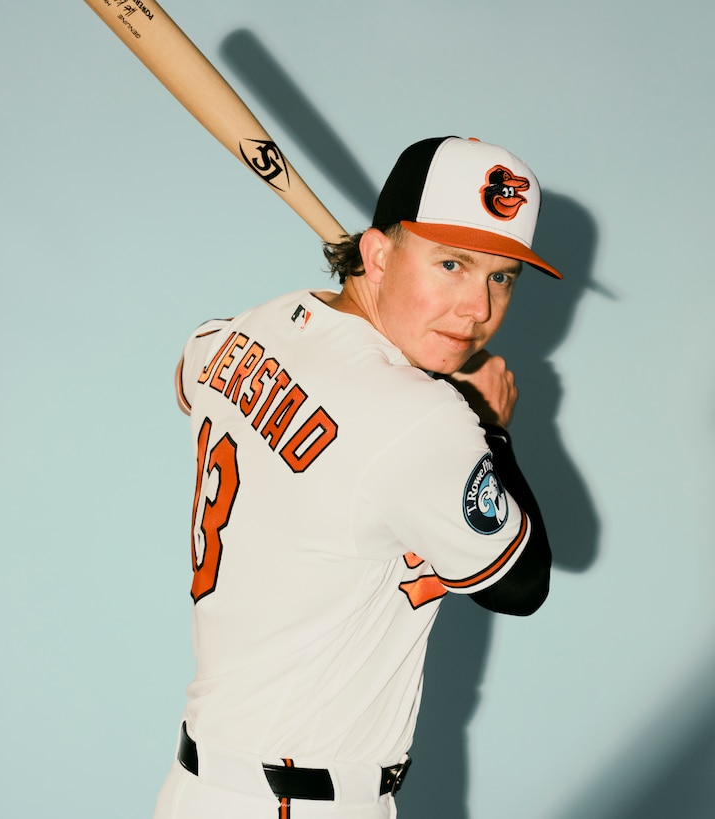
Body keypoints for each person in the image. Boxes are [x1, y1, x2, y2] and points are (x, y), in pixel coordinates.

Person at [155, 136, 558, 819]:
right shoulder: (425, 419)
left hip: (200, 788)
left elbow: (188, 372)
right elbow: (522, 583)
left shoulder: (254, 326)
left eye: (501, 277)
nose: (477, 309)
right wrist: (490, 425)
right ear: (376, 254)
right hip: (299, 802)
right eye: (452, 263)